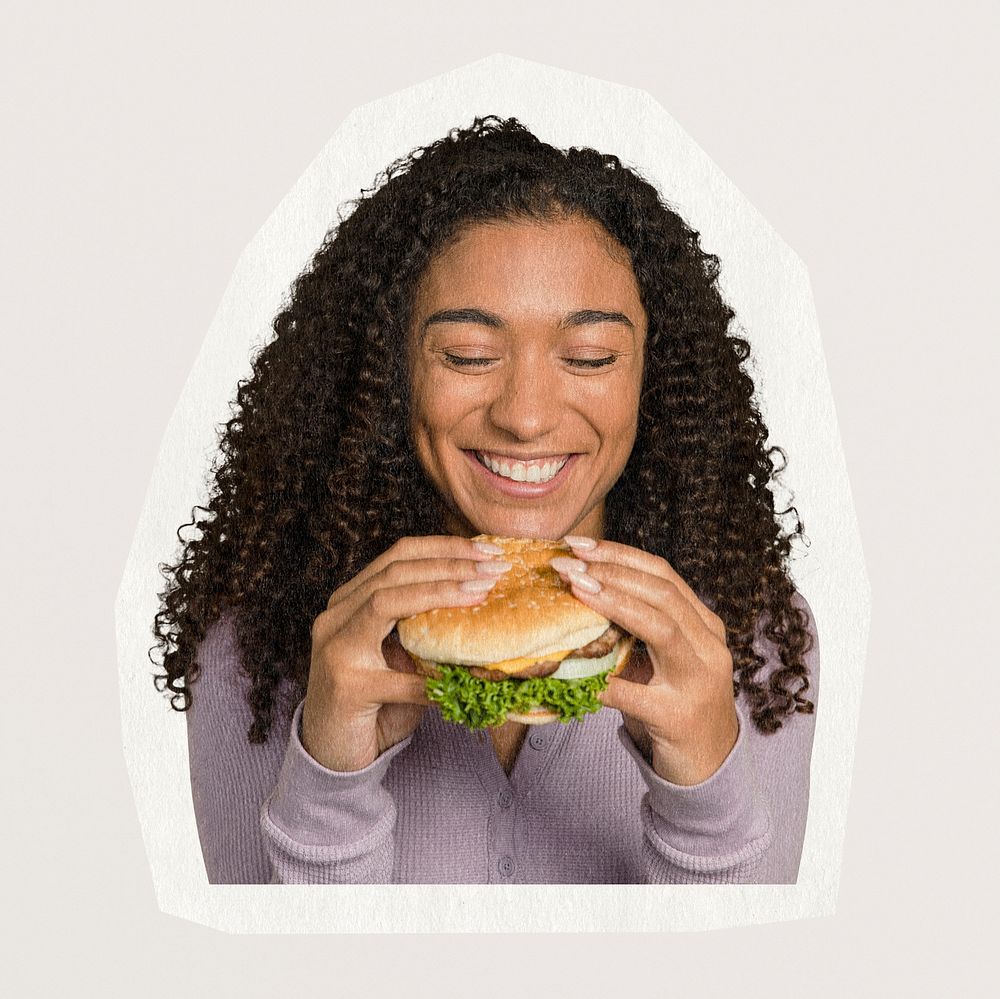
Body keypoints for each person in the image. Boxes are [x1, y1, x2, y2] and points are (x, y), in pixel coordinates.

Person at [152, 115, 818, 885]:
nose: (526, 415)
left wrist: (706, 791)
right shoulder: (258, 652)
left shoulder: (756, 642)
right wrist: (329, 777)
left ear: (654, 377)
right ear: (386, 370)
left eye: (591, 355)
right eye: (468, 355)